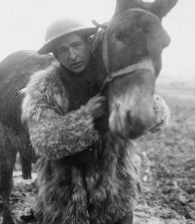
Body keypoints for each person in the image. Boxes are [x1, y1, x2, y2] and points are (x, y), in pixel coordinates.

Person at [20, 18, 169, 224]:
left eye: (76, 45)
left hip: (116, 196)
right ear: (55, 54)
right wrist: (86, 116)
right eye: (63, 50)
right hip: (66, 203)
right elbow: (44, 142)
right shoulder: (44, 88)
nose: (72, 56)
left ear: (88, 43)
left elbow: (158, 118)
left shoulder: (114, 77)